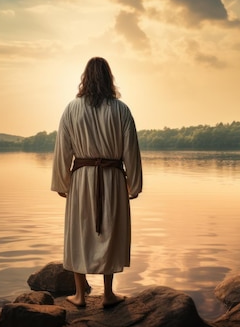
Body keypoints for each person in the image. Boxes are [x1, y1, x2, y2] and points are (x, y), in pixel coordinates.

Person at [51, 56, 143, 308]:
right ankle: (108, 294)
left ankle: (80, 296)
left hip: (81, 180)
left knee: (78, 234)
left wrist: (62, 182)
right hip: (113, 180)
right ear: (109, 78)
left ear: (85, 78)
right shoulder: (121, 109)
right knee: (110, 234)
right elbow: (131, 150)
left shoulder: (71, 108)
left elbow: (63, 149)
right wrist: (133, 183)